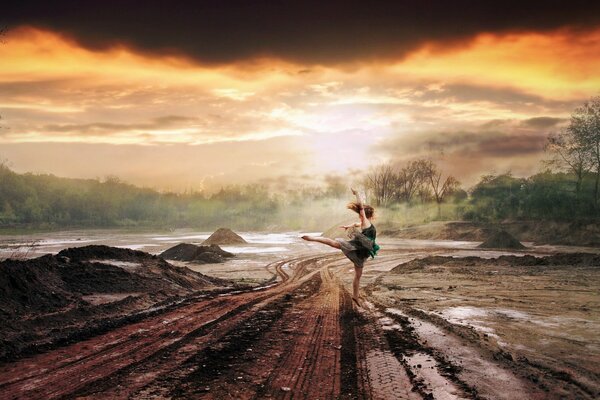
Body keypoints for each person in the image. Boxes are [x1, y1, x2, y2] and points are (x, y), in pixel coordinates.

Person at [301, 188, 379, 307]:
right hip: (359, 249)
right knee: (335, 245)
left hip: (362, 252)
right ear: (369, 215)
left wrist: (349, 225)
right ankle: (313, 238)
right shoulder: (366, 222)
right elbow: (361, 208)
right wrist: (357, 194)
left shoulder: (364, 223)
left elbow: (356, 223)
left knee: (358, 275)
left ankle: (355, 296)